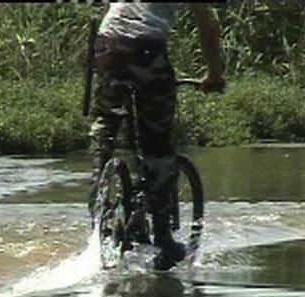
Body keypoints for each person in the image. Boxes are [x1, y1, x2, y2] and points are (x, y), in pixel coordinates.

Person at [88, 3, 225, 270]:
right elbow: (208, 29)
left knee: (105, 130)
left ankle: (99, 195)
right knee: (158, 145)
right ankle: (163, 237)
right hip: (145, 46)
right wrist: (215, 74)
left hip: (106, 45)